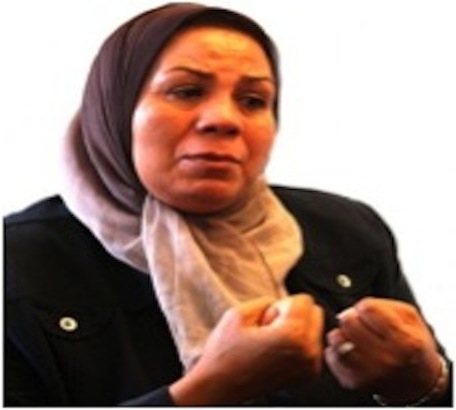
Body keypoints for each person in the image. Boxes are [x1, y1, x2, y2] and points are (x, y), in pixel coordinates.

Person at [4, 2, 452, 406]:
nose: (223, 119)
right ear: (114, 110)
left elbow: (434, 391)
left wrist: (424, 382)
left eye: (253, 100)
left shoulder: (347, 231)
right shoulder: (19, 262)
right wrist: (207, 391)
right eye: (186, 91)